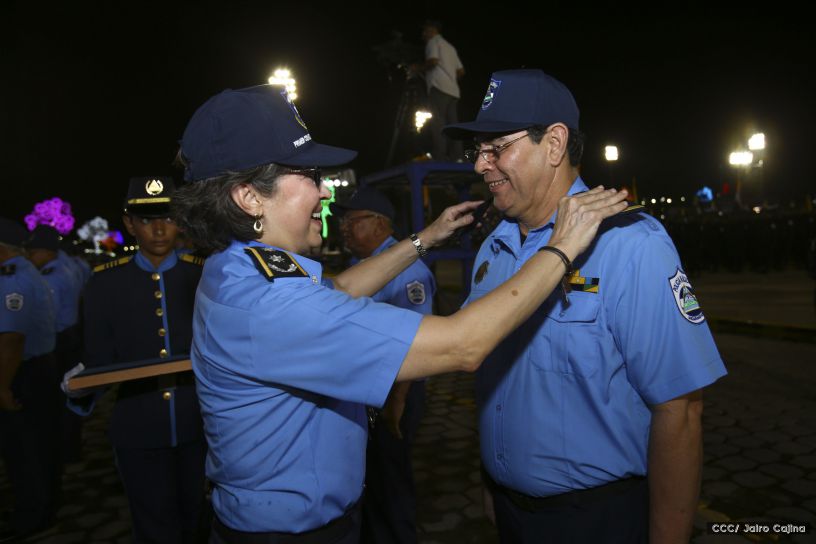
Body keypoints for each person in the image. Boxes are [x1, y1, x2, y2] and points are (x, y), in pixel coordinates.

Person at [172, 83, 627, 543]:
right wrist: (562, 246)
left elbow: (339, 291)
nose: (325, 189)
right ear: (249, 197)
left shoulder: (236, 269)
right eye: (308, 174)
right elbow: (462, 345)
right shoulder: (268, 304)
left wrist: (424, 238)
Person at [443, 69, 728, 543]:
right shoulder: (495, 245)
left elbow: (679, 410)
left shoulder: (630, 245)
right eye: (478, 151)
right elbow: (496, 382)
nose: (480, 166)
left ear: (554, 144)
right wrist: (493, 482)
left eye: (497, 148)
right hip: (512, 510)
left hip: (597, 519)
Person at [68, 177, 208, 543]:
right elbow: (97, 358)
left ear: (180, 220)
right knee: (153, 526)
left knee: (200, 519)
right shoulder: (104, 284)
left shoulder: (204, 275)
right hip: (138, 429)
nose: (159, 228)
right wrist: (80, 389)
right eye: (147, 220)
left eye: (167, 217)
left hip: (202, 424)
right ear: (129, 224)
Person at [331, 187, 434, 544]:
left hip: (393, 393)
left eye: (352, 221)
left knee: (391, 484)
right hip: (367, 390)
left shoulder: (405, 267)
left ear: (379, 224)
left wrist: (398, 401)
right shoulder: (361, 266)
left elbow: (415, 342)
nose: (343, 228)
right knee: (372, 480)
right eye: (342, 221)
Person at [0, 217, 61, 541]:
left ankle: (32, 516)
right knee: (40, 444)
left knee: (24, 450)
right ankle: (44, 507)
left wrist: (1, 387)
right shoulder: (25, 273)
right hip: (39, 368)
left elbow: (11, 340)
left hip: (26, 372)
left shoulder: (12, 279)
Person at [25, 224, 85, 463]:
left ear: (46, 251)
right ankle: (72, 445)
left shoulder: (51, 275)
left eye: (33, 252)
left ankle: (65, 450)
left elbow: (46, 315)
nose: (31, 257)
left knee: (60, 400)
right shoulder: (69, 265)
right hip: (72, 334)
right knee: (69, 396)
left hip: (59, 341)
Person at [420, 19, 464, 162]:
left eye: (425, 31)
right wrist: (449, 75)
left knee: (438, 122)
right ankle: (458, 157)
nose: (423, 35)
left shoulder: (433, 42)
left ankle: (440, 156)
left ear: (431, 30)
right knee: (453, 124)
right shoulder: (449, 46)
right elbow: (461, 71)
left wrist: (417, 68)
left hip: (439, 87)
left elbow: (432, 61)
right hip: (453, 90)